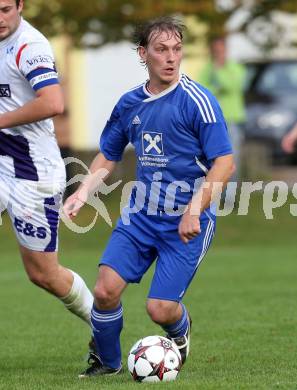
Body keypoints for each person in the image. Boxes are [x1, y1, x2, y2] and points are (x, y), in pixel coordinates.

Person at [64, 16, 235, 378]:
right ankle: (107, 364)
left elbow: (225, 163)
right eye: (161, 50)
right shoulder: (130, 104)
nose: (171, 57)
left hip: (187, 221)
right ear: (144, 54)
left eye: (177, 49)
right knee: (106, 289)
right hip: (141, 215)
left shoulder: (197, 101)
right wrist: (82, 193)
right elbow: (109, 154)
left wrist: (193, 210)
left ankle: (180, 328)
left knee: (160, 309)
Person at [0, 0, 93, 337]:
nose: (0, 17)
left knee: (43, 274)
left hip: (32, 172)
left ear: (21, 6)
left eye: (6, 9)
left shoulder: (30, 45)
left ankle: (104, 323)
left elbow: (53, 102)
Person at [198, 36, 245, 180]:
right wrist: (217, 86)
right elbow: (202, 90)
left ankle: (229, 197)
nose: (218, 53)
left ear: (226, 50)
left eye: (221, 50)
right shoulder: (207, 68)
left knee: (231, 160)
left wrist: (218, 72)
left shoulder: (235, 67)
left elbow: (233, 86)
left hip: (232, 120)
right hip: (212, 120)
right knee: (213, 160)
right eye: (215, 51)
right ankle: (215, 194)